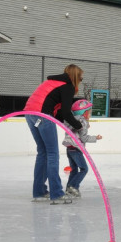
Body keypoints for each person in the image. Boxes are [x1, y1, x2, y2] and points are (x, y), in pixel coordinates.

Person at [24, 64, 84, 205]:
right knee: (52, 154)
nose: (80, 81)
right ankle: (56, 194)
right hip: (43, 115)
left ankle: (39, 192)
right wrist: (78, 126)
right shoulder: (68, 86)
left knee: (43, 152)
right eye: (81, 78)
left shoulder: (51, 82)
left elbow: (55, 108)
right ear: (75, 77)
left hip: (29, 114)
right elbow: (66, 112)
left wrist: (63, 123)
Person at [62, 99, 103, 198]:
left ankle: (69, 189)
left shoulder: (71, 119)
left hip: (69, 148)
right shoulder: (82, 122)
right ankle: (73, 186)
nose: (90, 114)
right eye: (89, 112)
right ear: (84, 113)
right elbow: (84, 138)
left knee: (74, 170)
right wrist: (95, 138)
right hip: (76, 148)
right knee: (84, 169)